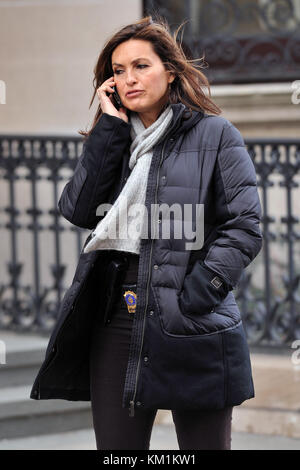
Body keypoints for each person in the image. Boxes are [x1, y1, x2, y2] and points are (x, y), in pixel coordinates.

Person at [30, 16, 263, 451]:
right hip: (116, 316)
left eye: (141, 66)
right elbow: (79, 209)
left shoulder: (216, 134)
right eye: (118, 71)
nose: (128, 79)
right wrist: (108, 129)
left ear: (170, 71)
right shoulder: (114, 139)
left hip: (192, 318)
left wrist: (197, 294)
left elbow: (244, 227)